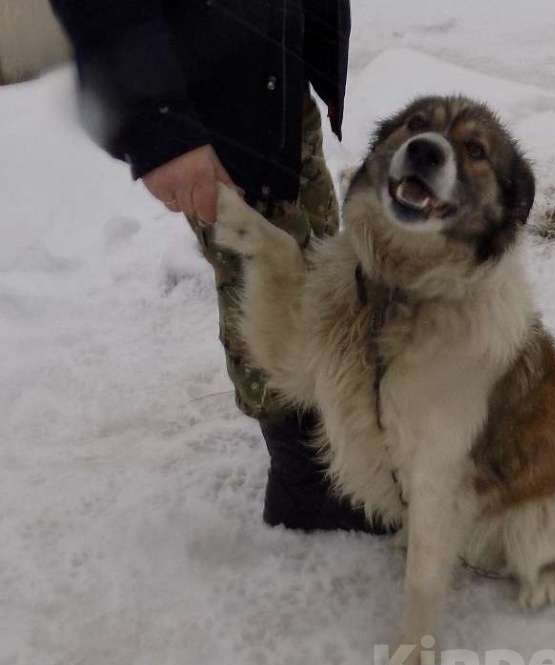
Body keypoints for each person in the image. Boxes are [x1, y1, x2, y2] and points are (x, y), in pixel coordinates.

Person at [51, 0, 382, 533]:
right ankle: (305, 482)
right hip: (221, 105)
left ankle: (323, 434)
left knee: (313, 265)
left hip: (274, 72)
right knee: (268, 283)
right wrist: (155, 125)